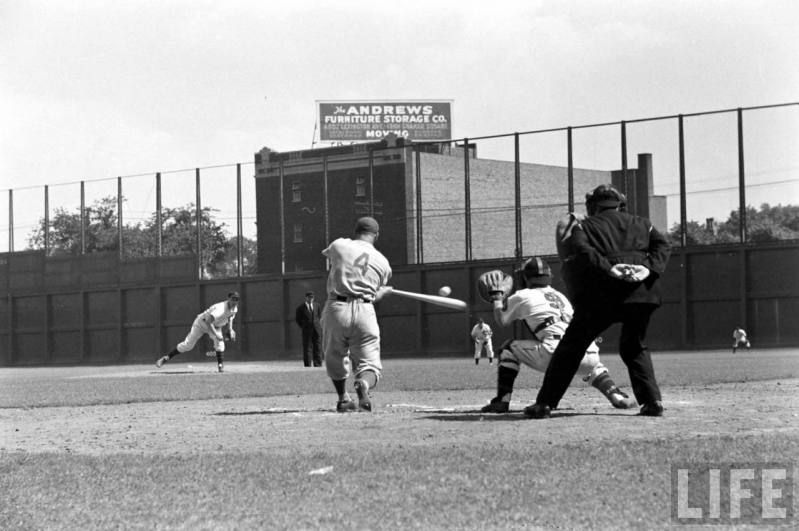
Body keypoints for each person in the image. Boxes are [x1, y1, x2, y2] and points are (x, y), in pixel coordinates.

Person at [525, 184, 671, 419]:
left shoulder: (584, 225)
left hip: (602, 296)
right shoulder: (644, 223)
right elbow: (663, 245)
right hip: (642, 294)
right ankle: (652, 401)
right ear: (620, 205)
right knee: (635, 347)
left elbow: (582, 251)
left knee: (571, 349)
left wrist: (610, 268)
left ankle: (544, 404)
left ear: (593, 207)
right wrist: (647, 268)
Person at [480, 256, 637, 413]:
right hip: (588, 351)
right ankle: (617, 396)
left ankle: (502, 400)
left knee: (508, 348)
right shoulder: (561, 296)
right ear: (549, 276)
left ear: (525, 277)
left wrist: (497, 297)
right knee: (589, 363)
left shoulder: (522, 295)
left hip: (554, 353)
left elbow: (502, 321)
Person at [321, 216, 392, 413]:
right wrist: (383, 292)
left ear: (356, 231)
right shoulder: (384, 263)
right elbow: (371, 293)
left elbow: (335, 260)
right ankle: (364, 384)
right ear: (376, 235)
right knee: (370, 363)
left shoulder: (339, 245)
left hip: (337, 307)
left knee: (335, 356)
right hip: (365, 310)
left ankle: (344, 398)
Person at [155, 291, 239, 373]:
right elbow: (208, 322)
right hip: (201, 323)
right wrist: (216, 334)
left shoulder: (234, 308)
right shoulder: (220, 308)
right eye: (233, 299)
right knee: (188, 345)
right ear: (228, 299)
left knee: (220, 344)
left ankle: (220, 366)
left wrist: (230, 329)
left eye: (236, 299)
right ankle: (166, 358)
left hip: (216, 326)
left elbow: (230, 317)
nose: (234, 301)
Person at [295, 291, 323, 367]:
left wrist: (317, 326)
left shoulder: (317, 306)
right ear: (306, 298)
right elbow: (298, 320)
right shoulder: (300, 308)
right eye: (309, 297)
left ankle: (318, 363)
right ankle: (308, 364)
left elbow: (319, 317)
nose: (311, 299)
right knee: (307, 347)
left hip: (317, 330)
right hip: (306, 330)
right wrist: (304, 327)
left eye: (312, 297)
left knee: (317, 347)